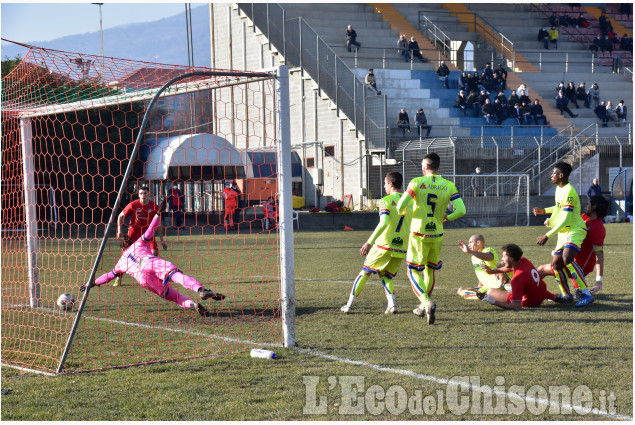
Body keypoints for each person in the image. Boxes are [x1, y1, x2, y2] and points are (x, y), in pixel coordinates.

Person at [81, 199, 225, 318]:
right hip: (151, 263)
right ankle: (200, 290)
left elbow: (108, 276)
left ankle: (193, 305)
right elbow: (151, 229)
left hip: (143, 279)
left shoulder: (121, 262)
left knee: (175, 297)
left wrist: (92, 283)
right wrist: (158, 214)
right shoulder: (139, 243)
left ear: (122, 249)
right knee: (176, 276)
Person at [397, 153, 467, 324]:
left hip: (418, 233)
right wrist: (447, 218)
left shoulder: (417, 183)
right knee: (430, 269)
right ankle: (422, 308)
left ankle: (426, 302)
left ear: (426, 167)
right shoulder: (449, 185)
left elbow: (400, 206)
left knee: (412, 270)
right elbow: (461, 210)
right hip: (437, 234)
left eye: (422, 166)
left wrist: (404, 214)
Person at [341, 172, 412, 314]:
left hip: (383, 245)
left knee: (365, 272)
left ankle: (348, 305)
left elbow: (384, 222)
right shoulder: (410, 201)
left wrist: (369, 242)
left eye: (385, 183)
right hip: (401, 246)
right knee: (385, 276)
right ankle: (392, 304)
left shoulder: (386, 200)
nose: (384, 186)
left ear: (391, 184)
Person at [533, 161, 593, 307]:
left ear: (561, 175)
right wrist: (544, 211)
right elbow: (558, 207)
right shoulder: (559, 189)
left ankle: (586, 293)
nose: (550, 176)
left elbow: (566, 217)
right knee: (556, 264)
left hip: (575, 229)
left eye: (553, 173)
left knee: (567, 258)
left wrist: (547, 235)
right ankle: (567, 295)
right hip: (564, 231)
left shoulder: (569, 191)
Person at [537, 196, 608, 297]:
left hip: (581, 266)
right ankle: (577, 287)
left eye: (589, 204)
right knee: (556, 256)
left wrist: (599, 281)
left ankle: (528, 290)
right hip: (571, 258)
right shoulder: (583, 217)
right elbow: (567, 224)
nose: (587, 206)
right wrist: (551, 222)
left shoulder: (598, 228)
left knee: (541, 270)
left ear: (594, 207)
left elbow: (599, 255)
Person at [476, 244, 558, 310]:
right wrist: (492, 271)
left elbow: (516, 306)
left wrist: (493, 302)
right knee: (526, 286)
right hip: (542, 293)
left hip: (531, 302)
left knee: (490, 292)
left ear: (511, 259)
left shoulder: (517, 278)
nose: (502, 259)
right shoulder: (523, 260)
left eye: (504, 257)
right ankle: (555, 298)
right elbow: (511, 268)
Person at [116, 185, 167, 286]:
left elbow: (159, 224)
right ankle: (118, 277)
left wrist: (162, 240)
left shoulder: (154, 207)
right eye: (141, 193)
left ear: (149, 194)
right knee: (124, 255)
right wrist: (119, 230)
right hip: (133, 233)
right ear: (138, 195)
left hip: (148, 234)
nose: (143, 195)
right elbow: (121, 215)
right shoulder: (133, 205)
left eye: (145, 193)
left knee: (154, 253)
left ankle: (152, 277)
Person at [456, 234, 511, 300]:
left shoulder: (488, 250)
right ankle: (482, 296)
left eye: (470, 242)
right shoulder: (473, 257)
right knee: (461, 290)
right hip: (487, 286)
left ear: (478, 242)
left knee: (466, 291)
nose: (468, 245)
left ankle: (488, 294)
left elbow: (489, 257)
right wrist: (479, 287)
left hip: (499, 283)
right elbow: (481, 273)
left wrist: (470, 251)